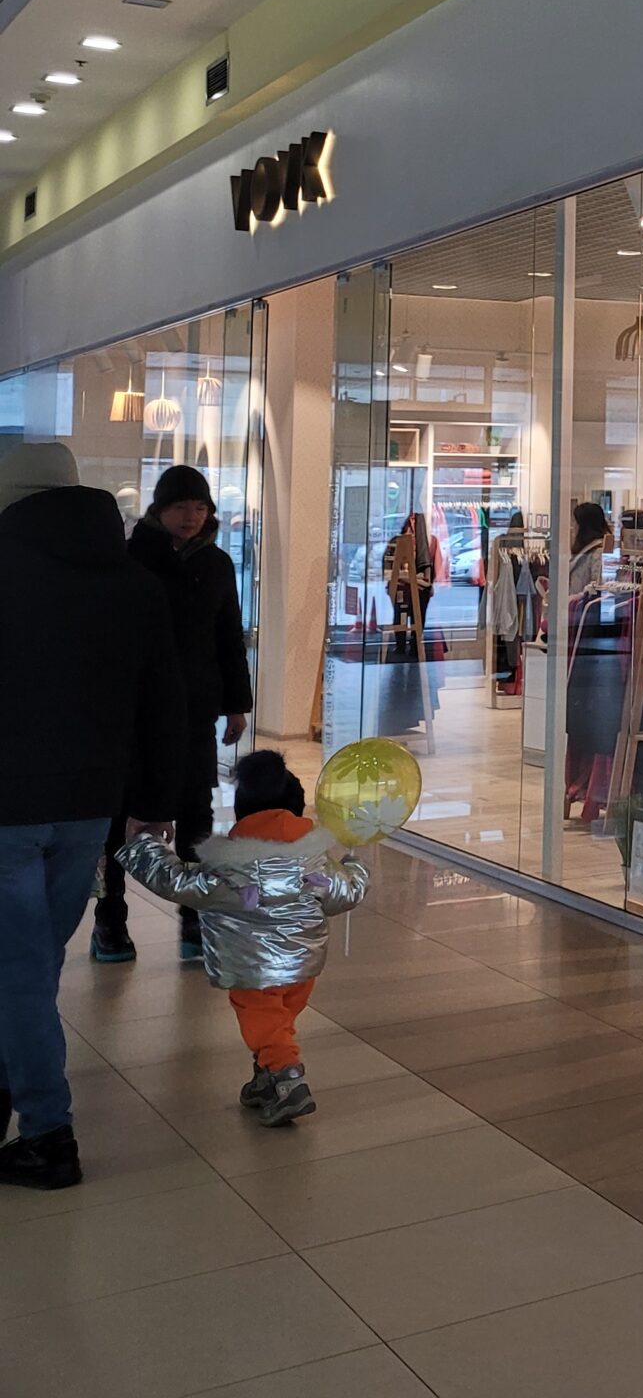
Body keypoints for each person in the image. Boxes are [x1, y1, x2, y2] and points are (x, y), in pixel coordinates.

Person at [0, 442, 187, 1190]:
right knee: (33, 963)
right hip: (89, 807)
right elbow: (164, 701)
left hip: (8, 808)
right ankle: (15, 1082)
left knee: (19, 969)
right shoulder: (133, 582)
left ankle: (48, 1135)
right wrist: (155, 802)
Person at [118, 751, 366, 1129]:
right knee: (279, 1022)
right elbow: (344, 893)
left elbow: (175, 880)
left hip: (253, 970)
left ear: (242, 812)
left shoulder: (229, 869)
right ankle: (267, 1078)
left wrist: (144, 844)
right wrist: (355, 866)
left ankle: (287, 1078)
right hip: (303, 967)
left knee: (263, 1021)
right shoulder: (316, 861)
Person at [92, 464, 252, 965]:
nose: (191, 516)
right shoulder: (132, 557)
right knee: (121, 816)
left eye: (200, 507)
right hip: (137, 709)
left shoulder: (217, 564)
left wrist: (236, 703)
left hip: (196, 707)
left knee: (196, 816)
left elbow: (229, 636)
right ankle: (110, 920)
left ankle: (194, 919)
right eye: (182, 506)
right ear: (160, 509)